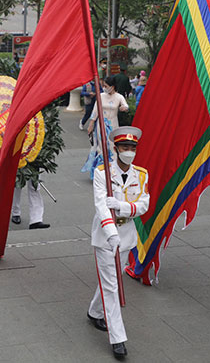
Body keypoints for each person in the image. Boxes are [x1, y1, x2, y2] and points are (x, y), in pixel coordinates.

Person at [87, 126, 149, 360]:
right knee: (112, 286)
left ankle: (94, 311)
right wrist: (111, 233)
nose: (129, 152)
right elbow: (101, 205)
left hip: (127, 233)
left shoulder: (141, 175)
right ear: (115, 148)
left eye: (133, 148)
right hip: (106, 236)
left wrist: (122, 207)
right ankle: (118, 338)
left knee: (111, 277)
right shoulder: (103, 173)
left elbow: (143, 205)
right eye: (125, 147)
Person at [83, 76, 129, 179]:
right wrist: (91, 123)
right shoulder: (101, 96)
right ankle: (100, 172)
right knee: (101, 147)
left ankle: (113, 171)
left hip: (113, 125)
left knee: (112, 147)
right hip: (101, 126)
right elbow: (95, 111)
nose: (104, 87)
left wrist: (124, 108)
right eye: (103, 85)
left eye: (106, 86)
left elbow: (125, 106)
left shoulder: (119, 97)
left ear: (112, 86)